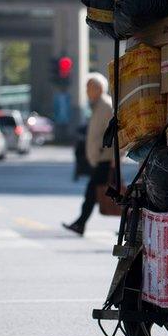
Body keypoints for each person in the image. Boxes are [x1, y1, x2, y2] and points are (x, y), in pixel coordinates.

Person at [63, 73, 115, 236]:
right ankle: (80, 223)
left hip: (105, 158)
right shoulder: (97, 105)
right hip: (100, 158)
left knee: (93, 193)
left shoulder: (106, 106)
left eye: (89, 87)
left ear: (98, 89)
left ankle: (80, 223)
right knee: (96, 193)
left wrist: (115, 158)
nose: (86, 91)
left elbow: (114, 133)